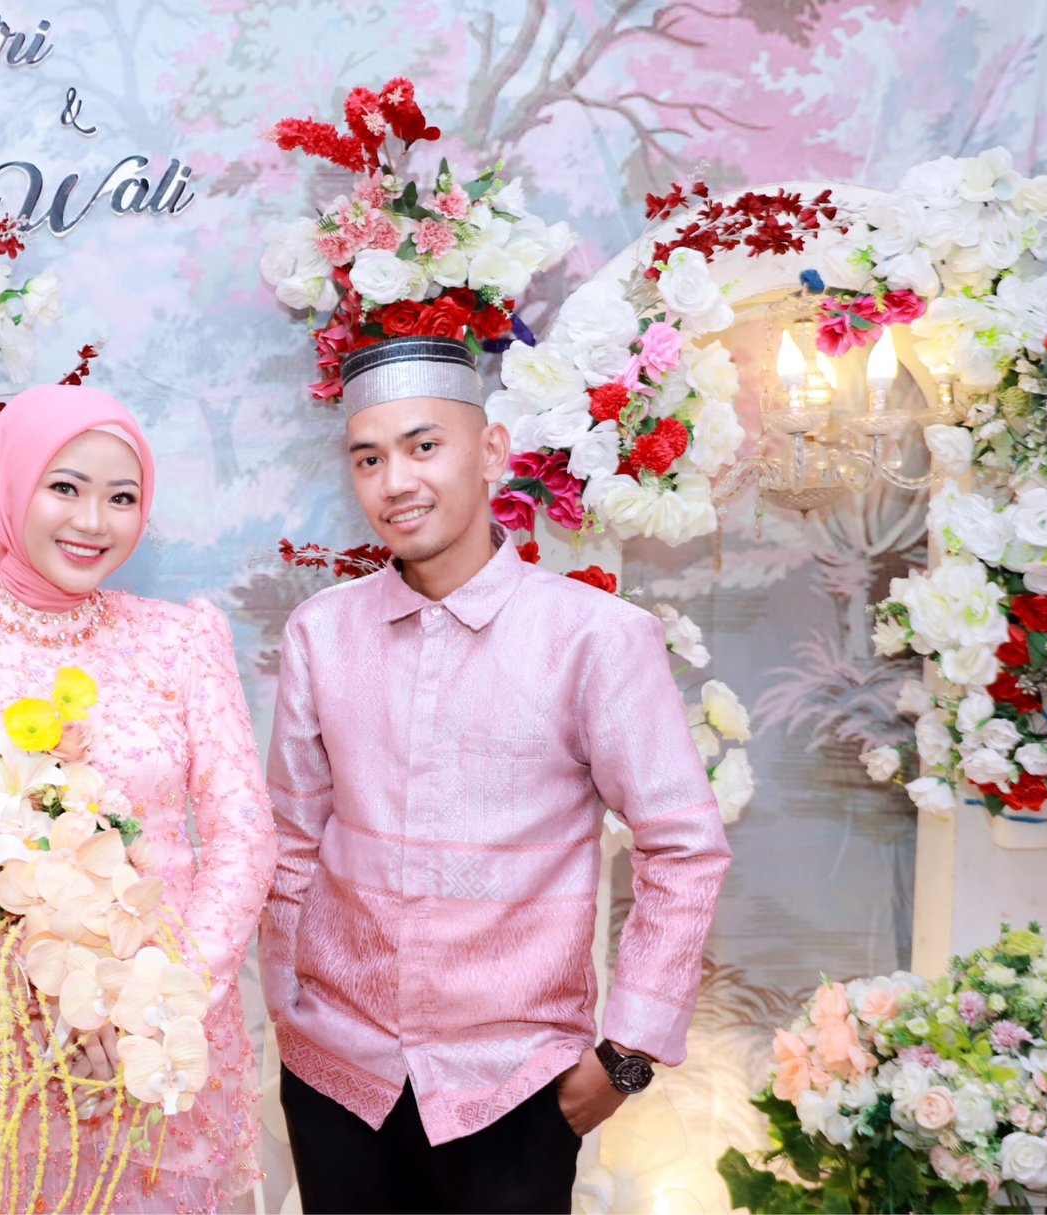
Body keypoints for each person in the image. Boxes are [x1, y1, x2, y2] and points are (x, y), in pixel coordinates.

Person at [260, 336, 733, 1214]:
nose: (395, 481)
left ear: (492, 452)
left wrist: (627, 1054)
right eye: (369, 458)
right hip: (338, 1078)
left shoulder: (594, 638)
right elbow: (291, 840)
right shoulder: (322, 634)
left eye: (423, 445)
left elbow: (684, 847)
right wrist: (287, 1008)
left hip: (513, 1090)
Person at [0, 383, 277, 1213]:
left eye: (122, 497)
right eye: (65, 487)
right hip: (1, 1055)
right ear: (11, 486)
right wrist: (57, 1013)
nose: (94, 521)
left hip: (165, 1045)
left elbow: (243, 834)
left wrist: (153, 1005)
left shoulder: (181, 642)